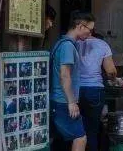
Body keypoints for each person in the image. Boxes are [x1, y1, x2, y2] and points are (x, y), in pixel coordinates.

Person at [50, 11, 95, 151]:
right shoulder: (67, 46)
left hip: (59, 100)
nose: (90, 34)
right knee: (80, 138)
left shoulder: (61, 43)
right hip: (63, 101)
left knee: (60, 141)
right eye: (90, 30)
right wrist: (71, 102)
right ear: (80, 26)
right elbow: (65, 75)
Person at [76, 32, 117, 151]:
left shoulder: (74, 43)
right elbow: (110, 71)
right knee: (92, 131)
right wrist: (114, 78)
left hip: (75, 90)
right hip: (95, 90)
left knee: (76, 130)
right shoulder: (102, 44)